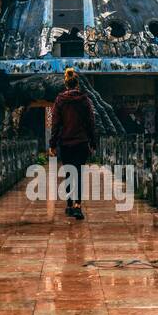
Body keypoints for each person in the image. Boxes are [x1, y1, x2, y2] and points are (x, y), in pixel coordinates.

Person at [49, 68, 96, 219]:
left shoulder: (60, 100)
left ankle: (69, 205)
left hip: (66, 143)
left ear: (66, 83)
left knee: (69, 174)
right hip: (81, 142)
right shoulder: (85, 100)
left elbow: (55, 124)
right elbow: (90, 122)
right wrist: (93, 142)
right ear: (77, 84)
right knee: (79, 174)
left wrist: (52, 144)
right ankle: (78, 206)